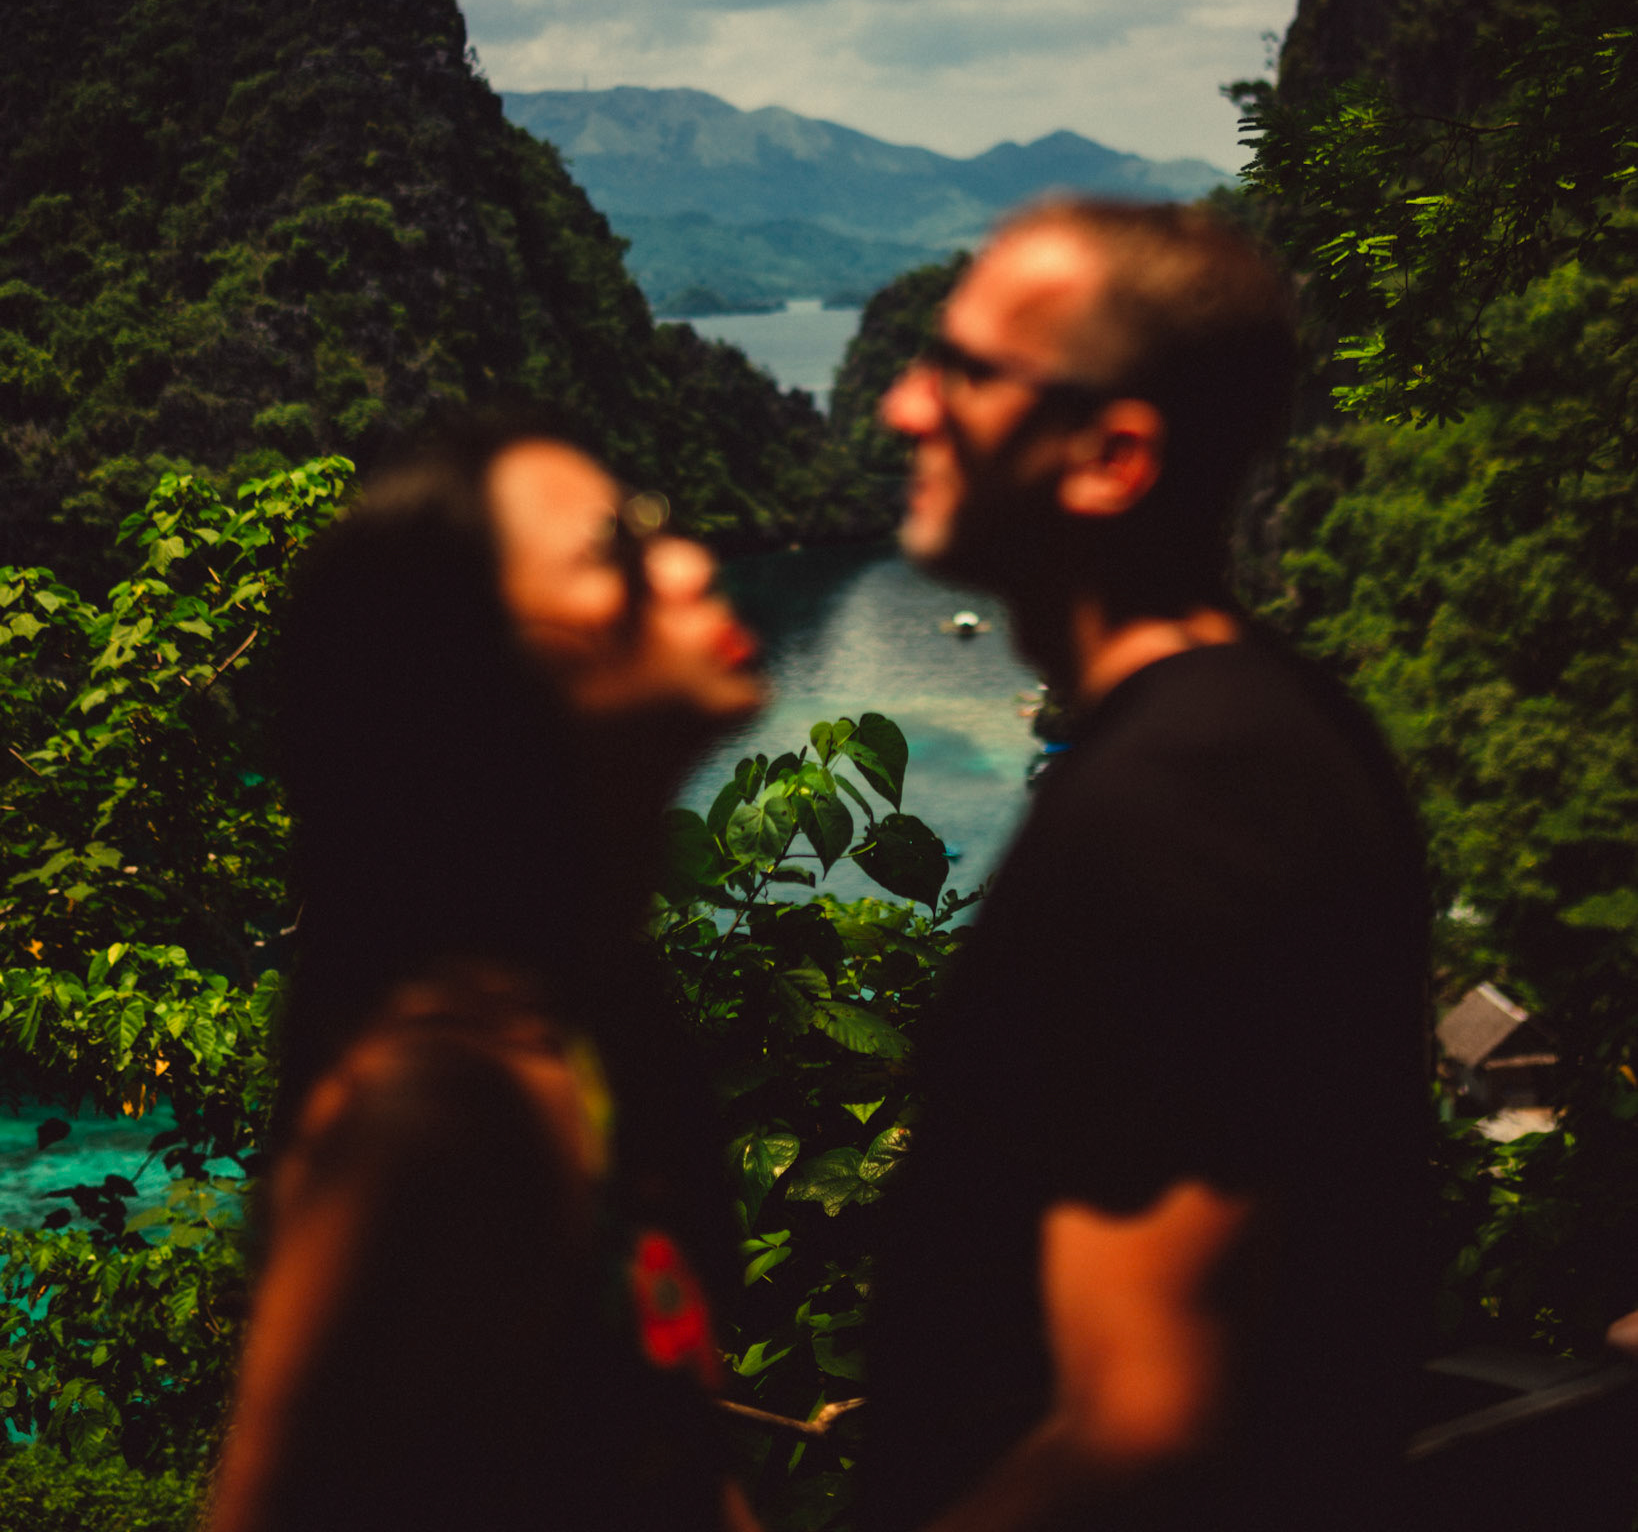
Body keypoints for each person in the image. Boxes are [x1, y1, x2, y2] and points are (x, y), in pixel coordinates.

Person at [859, 200, 1430, 1532]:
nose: (900, 408)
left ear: (1112, 458)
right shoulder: (1257, 732)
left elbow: (1137, 1427)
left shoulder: (1188, 805)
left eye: (963, 374)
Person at [207, 429, 767, 1532]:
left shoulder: (591, 1026)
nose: (693, 563)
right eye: (620, 553)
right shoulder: (437, 1112)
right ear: (479, 677)